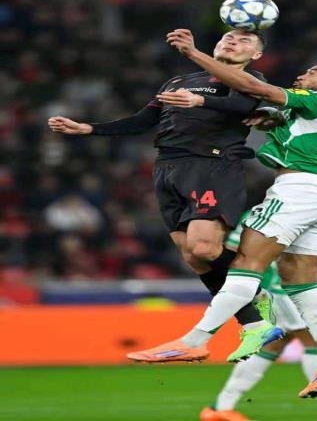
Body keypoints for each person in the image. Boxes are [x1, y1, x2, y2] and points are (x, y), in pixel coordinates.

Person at [129, 28, 317, 398]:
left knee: (245, 262)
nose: (303, 74)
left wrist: (194, 54)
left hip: (299, 189)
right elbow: (291, 120)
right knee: (299, 279)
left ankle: (194, 340)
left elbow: (255, 88)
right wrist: (274, 119)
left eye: (314, 71)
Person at [48, 29, 277, 344]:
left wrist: (200, 100)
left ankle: (257, 289)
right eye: (228, 38)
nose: (233, 41)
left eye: (244, 41)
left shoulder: (251, 80)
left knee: (204, 247)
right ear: (216, 44)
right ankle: (254, 325)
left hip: (211, 164)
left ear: (256, 55)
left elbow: (242, 107)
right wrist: (89, 128)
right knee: (193, 257)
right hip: (167, 167)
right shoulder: (178, 82)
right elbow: (143, 120)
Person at [200, 218, 317, 421]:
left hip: (285, 286)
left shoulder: (315, 209)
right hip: (276, 288)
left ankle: (220, 408)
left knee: (273, 345)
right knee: (314, 340)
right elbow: (234, 249)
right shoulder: (271, 212)